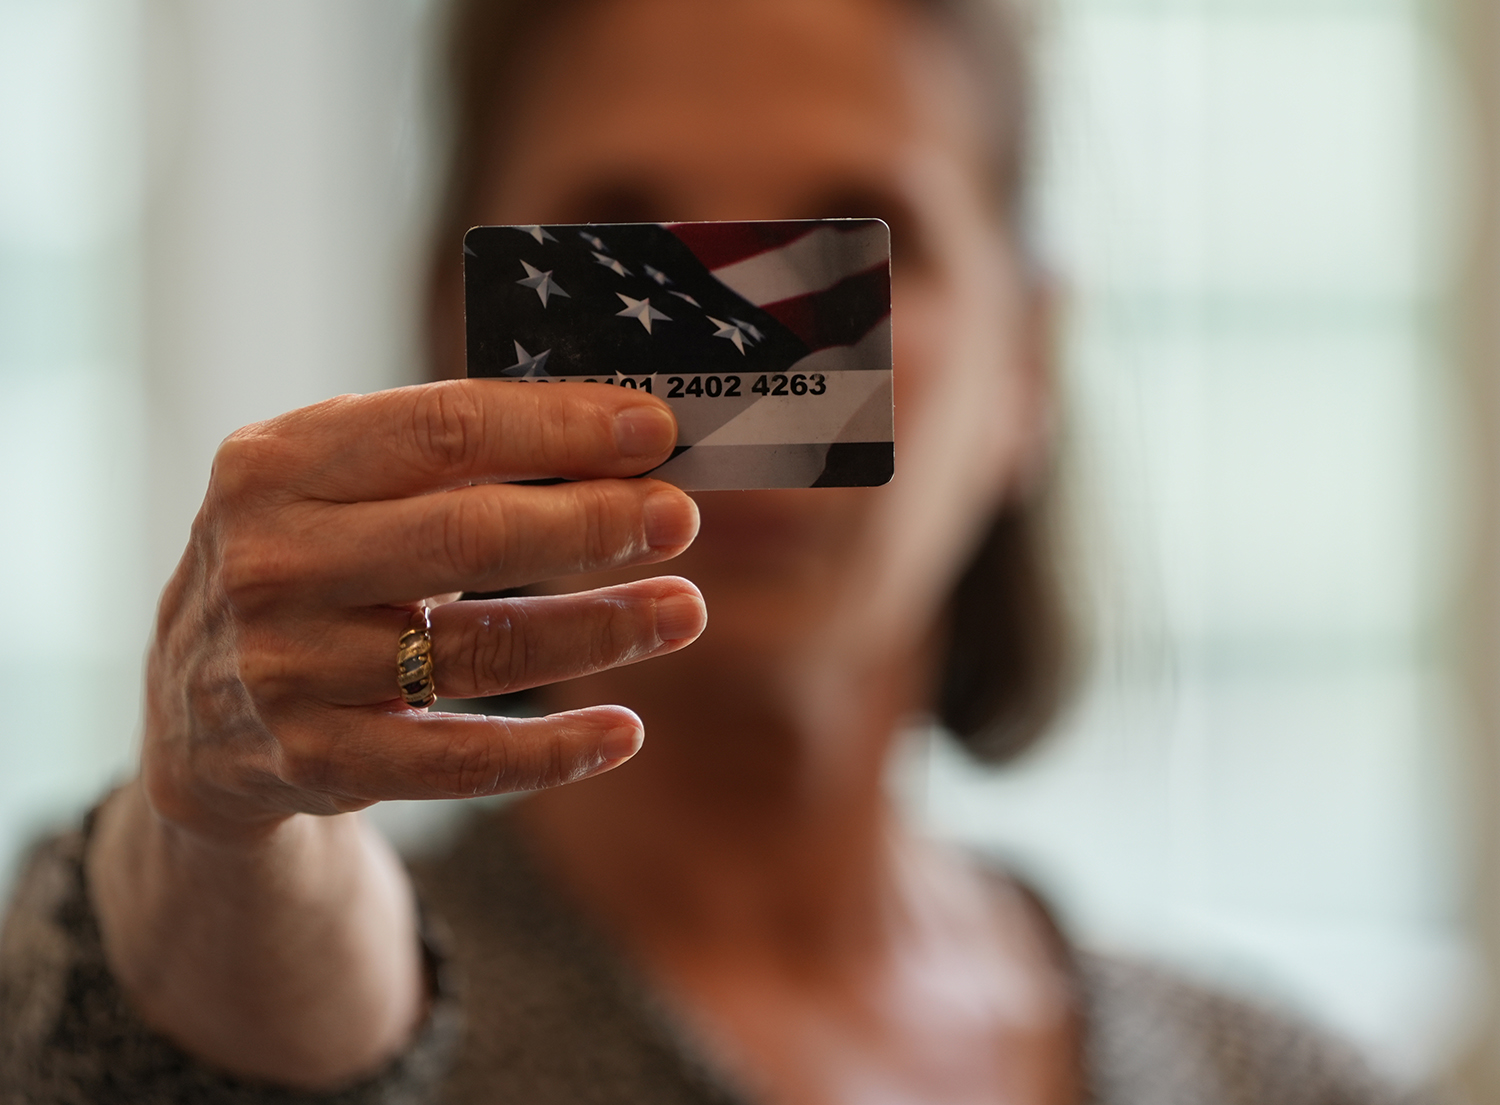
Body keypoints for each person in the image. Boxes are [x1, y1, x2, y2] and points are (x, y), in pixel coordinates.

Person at [0, 0, 1417, 1102]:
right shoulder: (324, 1002)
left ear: (1026, 362)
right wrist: (225, 822)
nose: (736, 366)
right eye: (625, 244)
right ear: (465, 328)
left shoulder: (1278, 1079)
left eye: (857, 250)